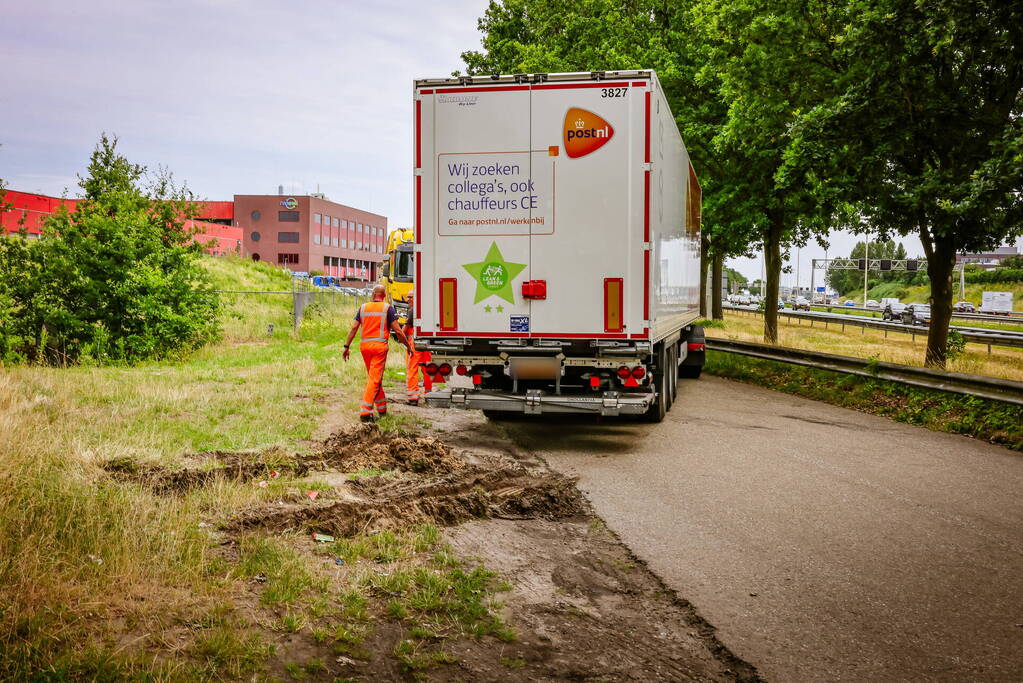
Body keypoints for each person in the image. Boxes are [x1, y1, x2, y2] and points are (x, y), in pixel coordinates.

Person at [342, 285, 412, 422]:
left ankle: (382, 410)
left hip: (365, 348)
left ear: (373, 294)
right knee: (374, 379)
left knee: (375, 378)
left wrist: (346, 346)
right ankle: (365, 412)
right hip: (379, 348)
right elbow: (398, 331)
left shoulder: (363, 308)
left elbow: (354, 327)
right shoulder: (387, 308)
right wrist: (408, 345)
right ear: (384, 295)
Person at [403, 290, 433, 405]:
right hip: (427, 343)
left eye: (410, 297)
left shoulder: (412, 310)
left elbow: (406, 329)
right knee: (427, 368)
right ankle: (429, 394)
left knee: (412, 368)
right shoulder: (428, 309)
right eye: (407, 297)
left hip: (415, 344)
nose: (408, 299)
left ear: (416, 298)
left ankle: (413, 397)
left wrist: (402, 339)